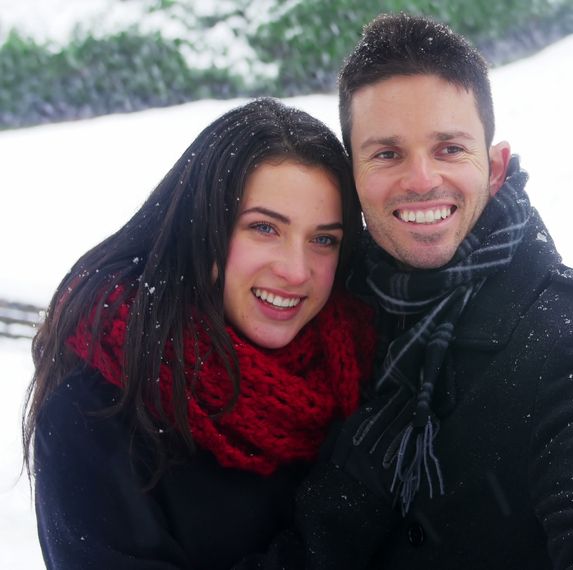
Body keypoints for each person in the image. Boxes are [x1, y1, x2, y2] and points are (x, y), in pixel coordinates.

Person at [308, 12, 573, 568]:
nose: (420, 180)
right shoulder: (325, 316)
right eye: (387, 153)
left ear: (495, 166)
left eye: (449, 148)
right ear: (352, 176)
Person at [22, 98, 377, 569]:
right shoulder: (97, 408)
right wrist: (338, 532)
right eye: (264, 227)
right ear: (203, 226)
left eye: (323, 239)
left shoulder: (358, 370)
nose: (296, 271)